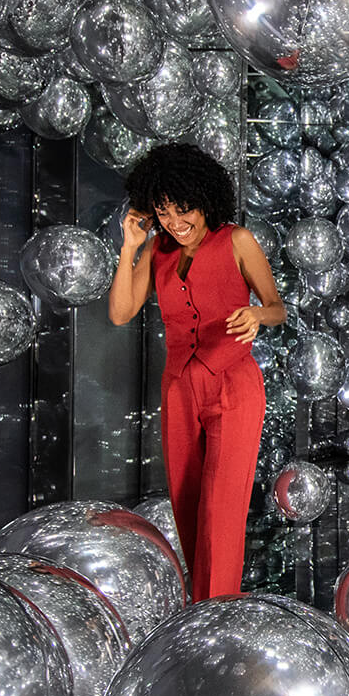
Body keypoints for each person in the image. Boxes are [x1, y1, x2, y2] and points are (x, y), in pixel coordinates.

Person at [107, 144, 285, 600]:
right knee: (187, 508)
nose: (174, 221)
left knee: (221, 511)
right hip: (180, 389)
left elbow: (276, 308)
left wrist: (255, 317)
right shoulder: (158, 251)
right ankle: (199, 607)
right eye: (163, 212)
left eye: (182, 209)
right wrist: (130, 248)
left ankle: (214, 614)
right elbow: (121, 312)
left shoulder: (236, 240)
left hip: (233, 385)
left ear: (205, 200)